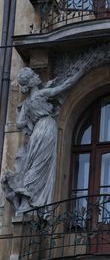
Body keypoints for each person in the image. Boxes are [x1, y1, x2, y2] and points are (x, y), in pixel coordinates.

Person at [1, 66, 84, 214]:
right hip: (47, 127)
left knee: (33, 165)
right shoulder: (41, 94)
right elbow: (64, 86)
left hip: (36, 133)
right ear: (31, 82)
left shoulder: (26, 104)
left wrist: (30, 122)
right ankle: (31, 201)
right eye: (33, 75)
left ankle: (27, 201)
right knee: (41, 165)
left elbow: (19, 123)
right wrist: (80, 72)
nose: (37, 76)